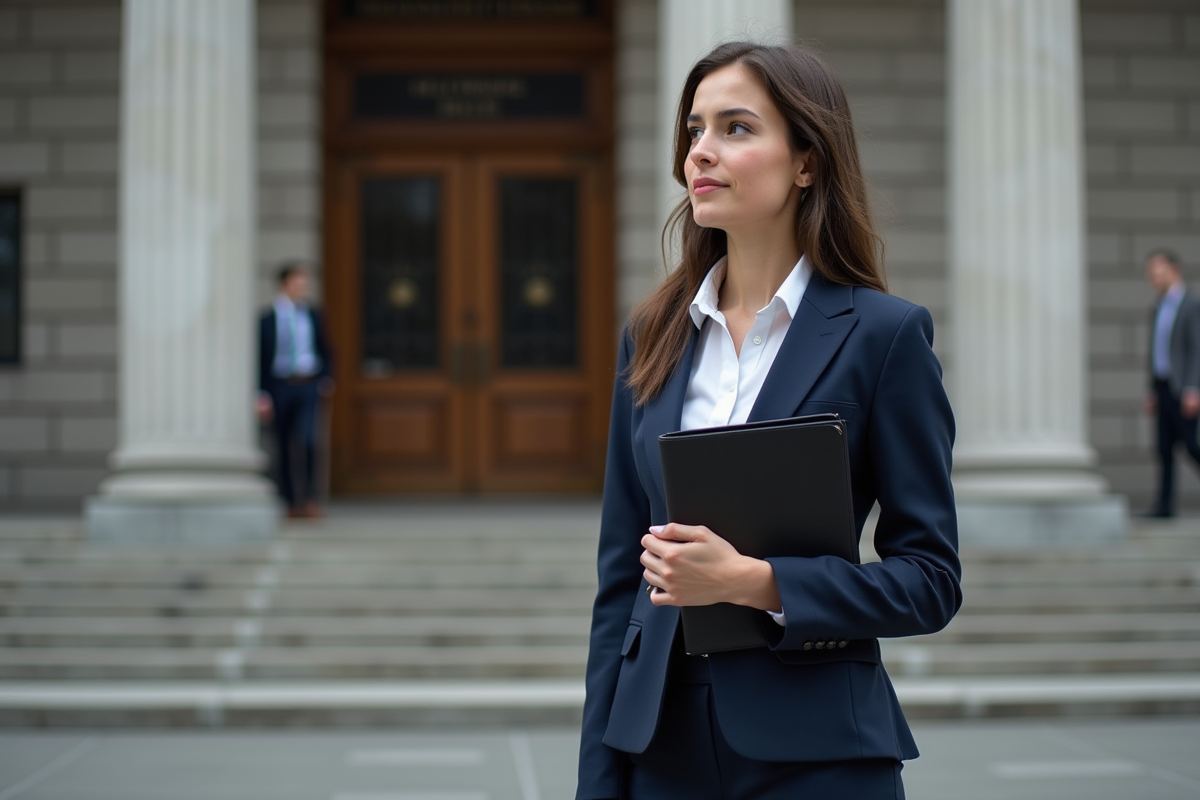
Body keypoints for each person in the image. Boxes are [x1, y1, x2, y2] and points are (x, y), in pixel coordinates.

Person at [576, 42, 961, 799]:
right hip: (659, 748)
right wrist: (599, 778)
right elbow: (620, 583)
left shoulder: (884, 337)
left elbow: (930, 581)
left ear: (807, 162)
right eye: (693, 130)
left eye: (736, 128)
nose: (701, 153)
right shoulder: (651, 336)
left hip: (820, 755)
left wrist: (757, 583)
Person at [258, 262, 335, 519]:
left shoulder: (313, 315)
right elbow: (259, 359)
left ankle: (311, 499)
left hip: (309, 385)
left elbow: (326, 349)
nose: (303, 287)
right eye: (298, 282)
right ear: (284, 284)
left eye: (305, 282)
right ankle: (290, 502)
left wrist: (326, 379)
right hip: (279, 386)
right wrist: (261, 394)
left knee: (309, 440)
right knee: (281, 446)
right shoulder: (266, 320)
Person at [1142, 249, 1200, 518]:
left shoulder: (1191, 306)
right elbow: (1156, 351)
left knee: (1191, 445)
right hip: (1163, 385)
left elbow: (1195, 350)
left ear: (1174, 271)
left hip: (1182, 389)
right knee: (1164, 448)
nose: (1153, 278)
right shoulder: (1157, 307)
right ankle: (1164, 506)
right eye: (1151, 273)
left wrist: (1192, 388)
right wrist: (1152, 390)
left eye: (1158, 272)